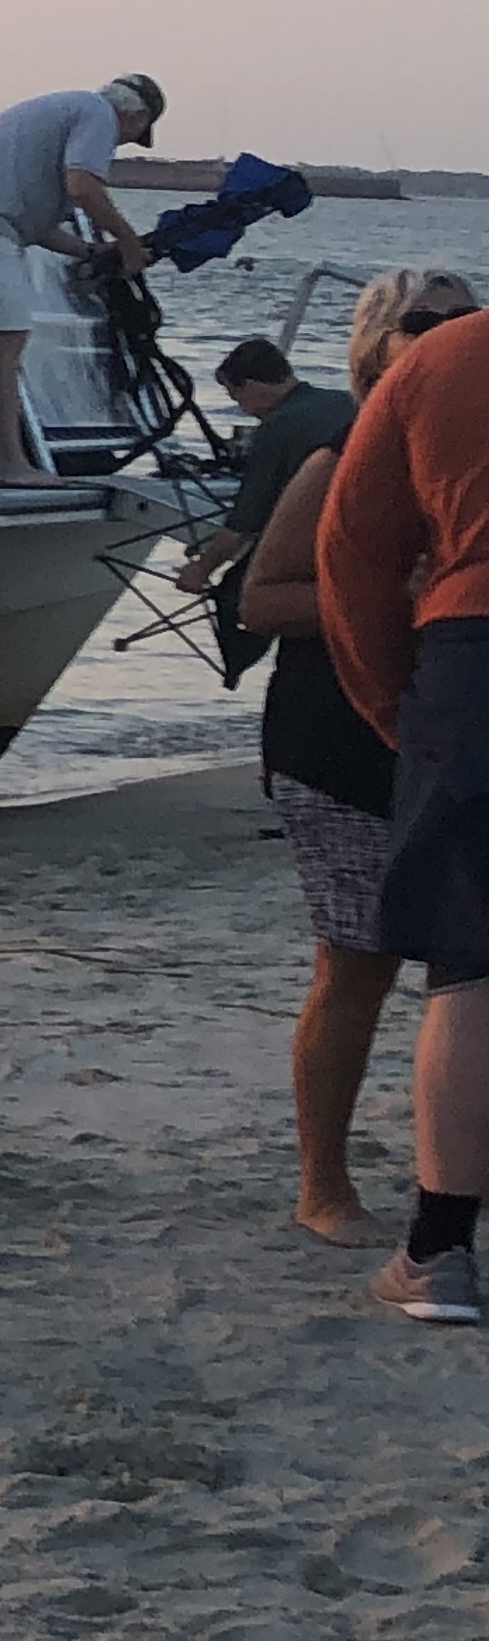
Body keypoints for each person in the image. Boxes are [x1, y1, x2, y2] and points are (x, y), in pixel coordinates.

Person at [239, 271, 477, 1245]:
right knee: (358, 963)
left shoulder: (459, 446)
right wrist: (393, 600)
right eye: (424, 324)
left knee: (468, 969)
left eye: (464, 322)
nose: (446, 339)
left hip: (449, 729)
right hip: (339, 736)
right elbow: (262, 598)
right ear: (375, 346)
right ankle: (323, 1185)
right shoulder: (342, 456)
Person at [320, 286, 489, 1324]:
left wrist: (392, 701)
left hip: (475, 651)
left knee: (471, 961)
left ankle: (438, 1253)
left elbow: (353, 550)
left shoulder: (443, 360)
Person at [0, 76, 164, 487]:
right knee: (2, 344)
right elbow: (83, 187)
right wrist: (127, 243)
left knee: (1, 342)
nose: (119, 147)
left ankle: (0, 456)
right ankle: (6, 463)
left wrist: (92, 253)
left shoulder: (66, 111)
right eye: (132, 137)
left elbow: (35, 228)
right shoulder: (97, 114)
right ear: (136, 115)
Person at [171, 337, 352, 607]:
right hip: (367, 530)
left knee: (235, 597)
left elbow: (243, 522)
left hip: (325, 546)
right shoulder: (346, 400)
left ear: (252, 386)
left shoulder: (277, 426)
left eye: (236, 397)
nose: (243, 410)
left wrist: (202, 569)